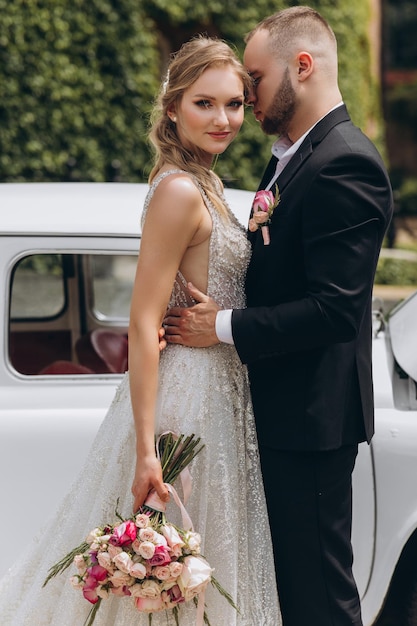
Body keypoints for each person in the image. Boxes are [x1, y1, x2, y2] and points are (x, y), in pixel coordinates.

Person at [0, 37, 280, 625]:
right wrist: (147, 448)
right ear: (173, 107)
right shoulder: (180, 189)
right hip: (190, 400)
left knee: (200, 568)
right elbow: (144, 318)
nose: (224, 119)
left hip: (220, 386)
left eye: (234, 105)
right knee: (175, 571)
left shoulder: (202, 182)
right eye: (205, 103)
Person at [163, 7, 394, 626]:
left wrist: (220, 326)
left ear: (303, 66)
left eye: (256, 80)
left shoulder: (346, 161)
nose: (248, 96)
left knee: (318, 596)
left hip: (311, 423)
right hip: (271, 411)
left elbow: (334, 310)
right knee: (283, 592)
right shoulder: (293, 155)